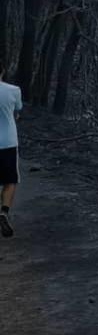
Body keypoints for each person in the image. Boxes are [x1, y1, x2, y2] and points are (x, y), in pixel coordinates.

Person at [0, 64, 22, 238]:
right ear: (3, 71)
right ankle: (4, 212)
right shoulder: (14, 90)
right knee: (10, 181)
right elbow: (17, 111)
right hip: (8, 142)